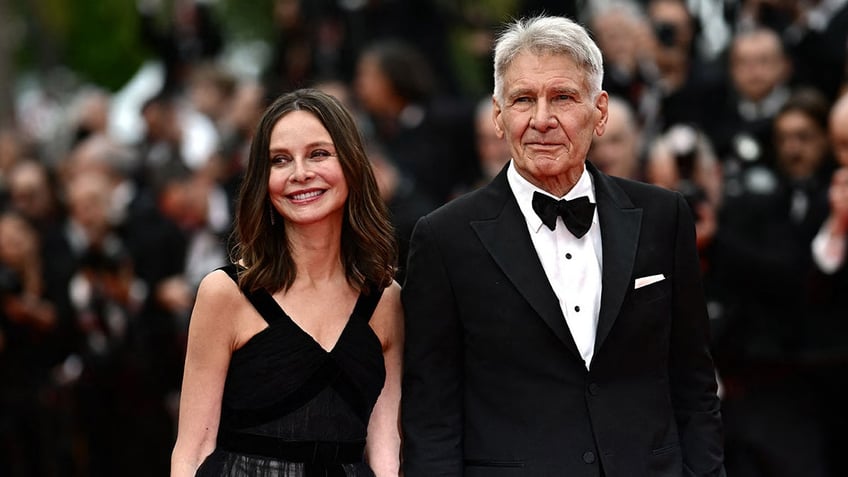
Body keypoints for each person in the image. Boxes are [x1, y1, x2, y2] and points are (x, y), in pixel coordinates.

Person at [401, 15, 725, 476]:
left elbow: (693, 382)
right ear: (498, 115)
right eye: (522, 100)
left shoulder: (662, 216)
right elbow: (431, 415)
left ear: (601, 111)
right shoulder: (443, 237)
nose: (541, 120)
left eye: (563, 97)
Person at [171, 88, 403, 476]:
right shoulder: (227, 294)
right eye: (280, 160)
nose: (299, 174)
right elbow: (192, 451)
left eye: (318, 154)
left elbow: (386, 451)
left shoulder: (385, 298)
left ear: (351, 164)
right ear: (264, 180)